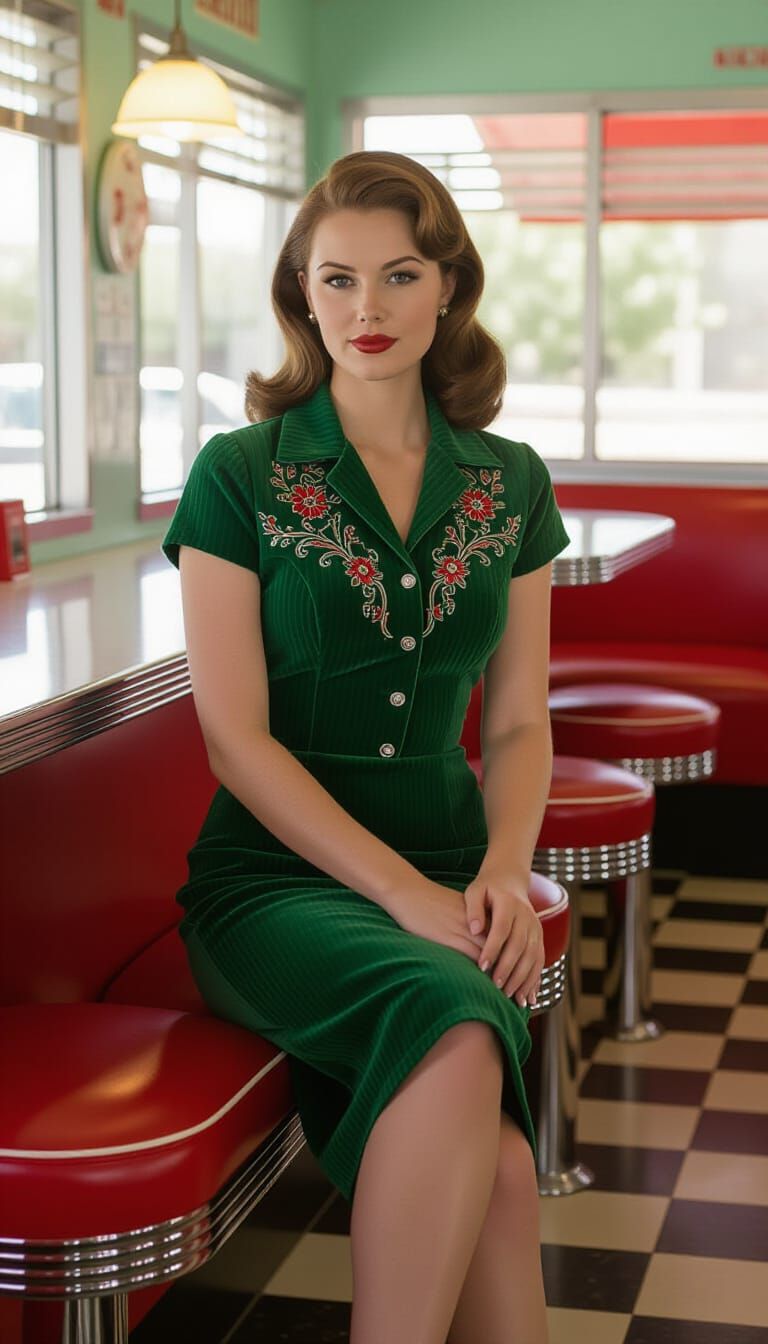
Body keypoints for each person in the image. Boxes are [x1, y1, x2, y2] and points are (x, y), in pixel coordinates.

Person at [161, 148, 570, 1344]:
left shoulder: (512, 485)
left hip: (453, 871)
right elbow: (234, 742)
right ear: (301, 296)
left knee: (496, 1172)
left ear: (448, 288)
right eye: (335, 282)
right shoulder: (240, 477)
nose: (367, 310)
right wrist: (401, 894)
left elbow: (519, 719)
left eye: (398, 276)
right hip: (273, 885)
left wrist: (501, 869)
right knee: (450, 1019)